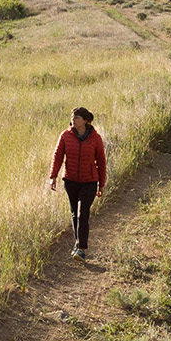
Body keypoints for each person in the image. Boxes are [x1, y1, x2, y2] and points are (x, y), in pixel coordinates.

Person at [47, 106, 106, 260]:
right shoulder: (65, 136)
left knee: (82, 214)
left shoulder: (95, 138)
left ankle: (81, 248)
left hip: (89, 181)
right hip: (71, 180)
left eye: (77, 117)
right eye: (73, 117)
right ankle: (77, 243)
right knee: (75, 213)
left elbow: (101, 161)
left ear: (85, 121)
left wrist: (102, 184)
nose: (73, 120)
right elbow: (58, 156)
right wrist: (53, 176)